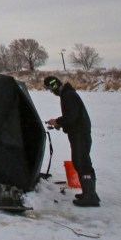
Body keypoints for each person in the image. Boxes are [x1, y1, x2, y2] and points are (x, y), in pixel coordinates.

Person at [44, 76, 101, 207]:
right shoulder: (67, 94)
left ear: (54, 85)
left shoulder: (68, 95)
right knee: (80, 161)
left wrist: (57, 121)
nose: (51, 92)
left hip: (80, 134)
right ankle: (89, 192)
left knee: (82, 162)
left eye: (50, 88)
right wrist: (60, 124)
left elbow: (71, 116)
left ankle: (90, 196)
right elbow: (72, 117)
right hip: (78, 133)